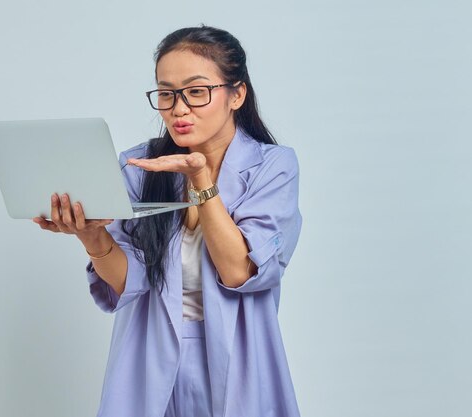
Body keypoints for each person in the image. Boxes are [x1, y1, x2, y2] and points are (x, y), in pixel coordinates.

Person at [33, 25, 303, 417]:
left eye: (196, 92)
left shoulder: (273, 167)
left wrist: (201, 180)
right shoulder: (138, 166)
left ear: (236, 94)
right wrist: (91, 237)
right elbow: (129, 282)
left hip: (237, 354)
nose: (178, 109)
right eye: (166, 93)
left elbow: (239, 271)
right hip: (149, 353)